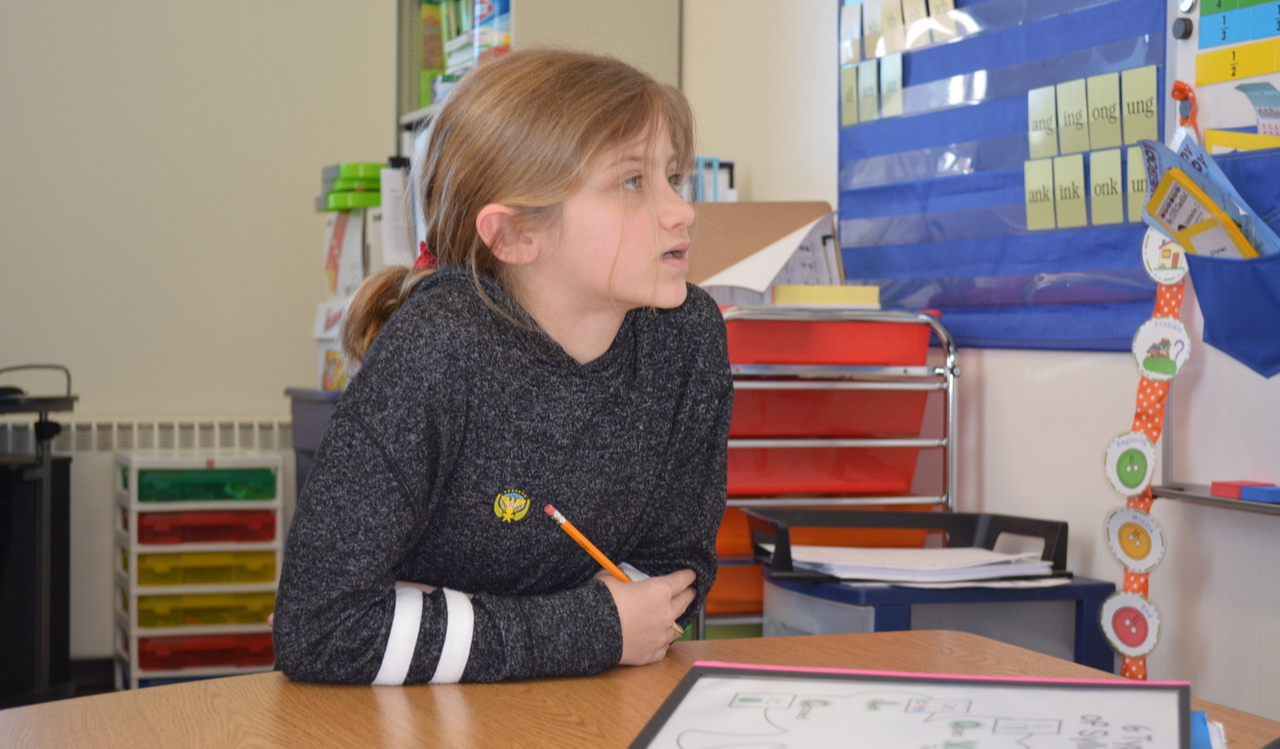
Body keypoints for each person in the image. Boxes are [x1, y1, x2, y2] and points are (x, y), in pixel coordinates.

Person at [273, 48, 733, 685]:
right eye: (633, 182)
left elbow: (673, 576)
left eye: (673, 178)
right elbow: (321, 630)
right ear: (516, 235)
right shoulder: (436, 348)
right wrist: (593, 627)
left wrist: (608, 623)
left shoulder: (687, 335)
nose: (680, 209)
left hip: (588, 706)